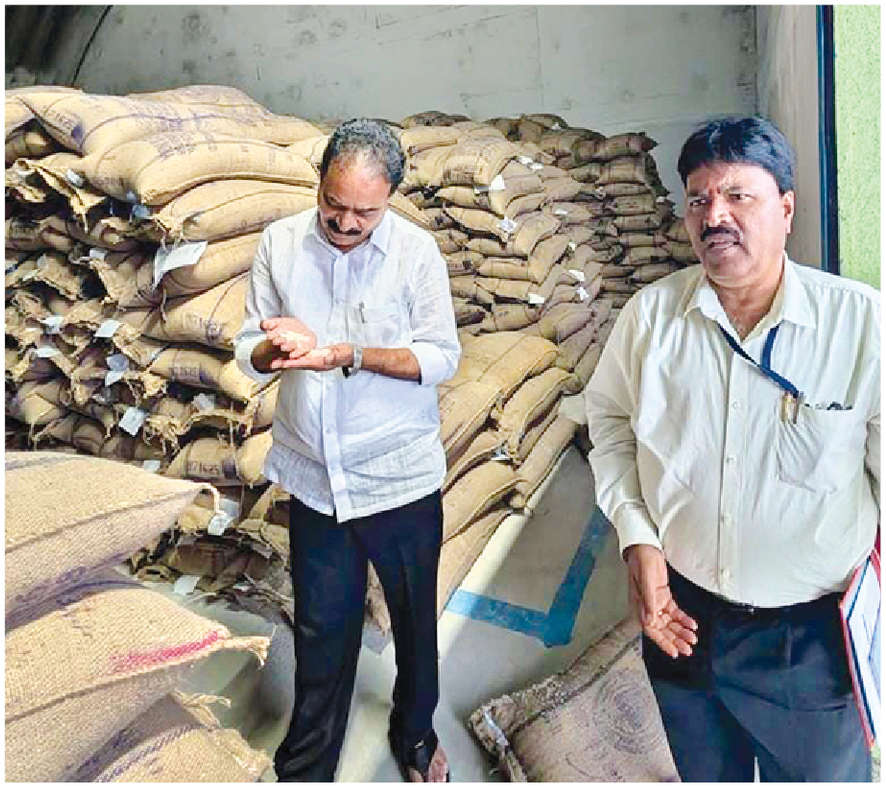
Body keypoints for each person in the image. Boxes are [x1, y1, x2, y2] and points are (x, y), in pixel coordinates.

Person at [584, 116, 879, 782]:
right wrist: (638, 539)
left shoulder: (861, 325)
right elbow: (609, 424)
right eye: (698, 199)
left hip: (809, 645)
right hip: (682, 622)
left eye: (738, 195)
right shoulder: (650, 319)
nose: (714, 215)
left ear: (786, 209)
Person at [234, 118, 459, 782]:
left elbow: (440, 357)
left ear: (390, 197)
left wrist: (348, 355)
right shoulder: (280, 244)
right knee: (321, 629)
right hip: (315, 477)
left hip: (397, 476)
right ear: (320, 180)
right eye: (334, 204)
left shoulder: (415, 254)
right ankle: (307, 766)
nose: (345, 222)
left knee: (413, 623)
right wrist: (272, 351)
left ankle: (414, 734)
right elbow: (247, 350)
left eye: (365, 212)